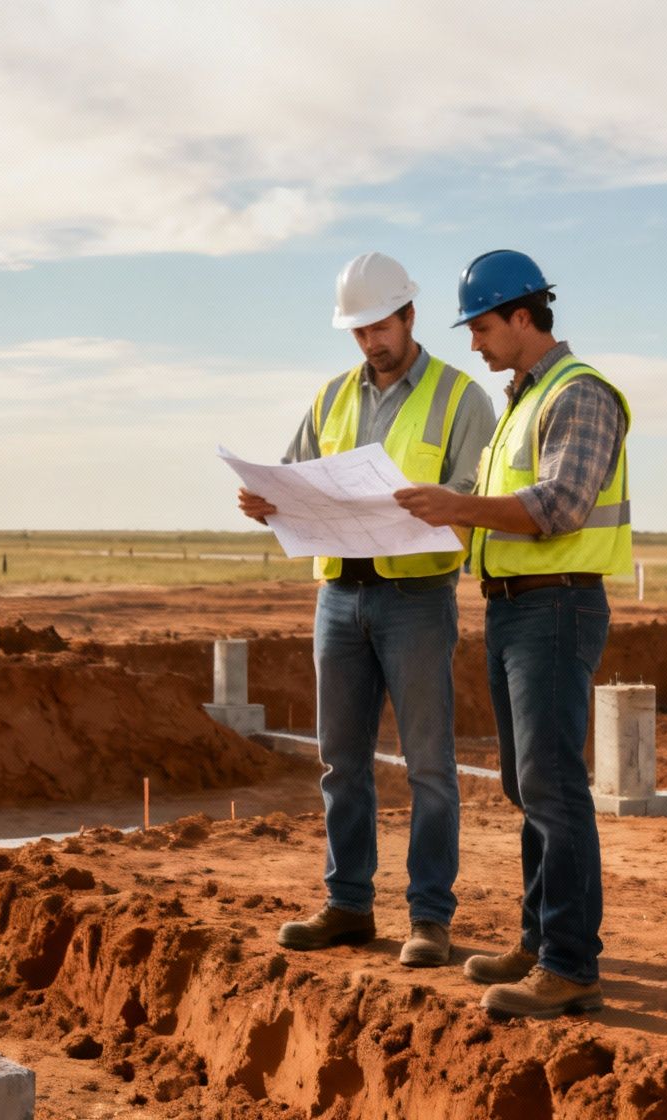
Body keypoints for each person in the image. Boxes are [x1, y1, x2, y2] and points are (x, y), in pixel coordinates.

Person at [236, 251, 496, 968]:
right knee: (340, 762)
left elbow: (476, 495)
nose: (370, 343)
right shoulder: (330, 399)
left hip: (416, 598)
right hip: (339, 595)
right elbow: (294, 482)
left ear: (410, 315)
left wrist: (439, 506)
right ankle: (348, 904)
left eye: (379, 327)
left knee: (429, 767)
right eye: (357, 332)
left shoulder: (460, 397)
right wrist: (267, 504)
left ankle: (429, 917)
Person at [394, 249, 630, 1018]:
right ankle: (539, 941)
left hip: (556, 607)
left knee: (555, 789)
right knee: (528, 786)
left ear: (524, 317)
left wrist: (455, 508)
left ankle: (570, 965)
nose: (475, 344)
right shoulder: (523, 403)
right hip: (511, 607)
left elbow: (559, 505)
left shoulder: (578, 394)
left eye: (484, 326)